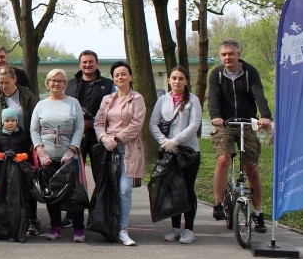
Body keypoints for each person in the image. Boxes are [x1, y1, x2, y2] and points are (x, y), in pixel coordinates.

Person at [208, 39, 272, 233]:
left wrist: (265, 116)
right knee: (223, 160)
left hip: (247, 122)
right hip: (226, 123)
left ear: (238, 54)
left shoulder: (250, 72)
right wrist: (216, 116)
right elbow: (213, 97)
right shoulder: (216, 74)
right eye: (224, 54)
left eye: (231, 54)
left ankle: (258, 212)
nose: (227, 58)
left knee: (251, 167)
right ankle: (218, 203)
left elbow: (259, 94)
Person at [0, 64, 40, 235]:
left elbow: (36, 119)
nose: (3, 86)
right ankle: (6, 220)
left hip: (23, 145)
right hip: (2, 147)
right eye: (0, 82)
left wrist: (35, 142)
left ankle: (31, 219)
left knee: (26, 184)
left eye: (7, 82)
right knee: (3, 186)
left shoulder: (27, 96)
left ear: (15, 79)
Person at [94, 61, 146, 246]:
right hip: (108, 150)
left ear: (130, 77)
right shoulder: (107, 99)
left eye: (123, 74)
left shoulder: (137, 99)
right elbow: (98, 122)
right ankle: (109, 226)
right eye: (116, 75)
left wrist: (117, 139)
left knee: (124, 189)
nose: (120, 78)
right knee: (109, 189)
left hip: (128, 150)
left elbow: (136, 124)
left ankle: (123, 229)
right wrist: (104, 139)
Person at [149, 65, 202, 244]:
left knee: (187, 189)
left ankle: (189, 229)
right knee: (172, 190)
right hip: (168, 153)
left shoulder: (193, 100)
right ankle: (175, 228)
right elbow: (153, 124)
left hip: (188, 153)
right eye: (174, 78)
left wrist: (175, 141)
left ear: (186, 81)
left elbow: (194, 125)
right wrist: (164, 142)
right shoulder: (162, 100)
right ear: (169, 80)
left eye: (181, 78)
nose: (177, 81)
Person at [30, 69, 86, 242]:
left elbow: (79, 128)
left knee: (74, 193)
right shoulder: (40, 105)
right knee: (51, 193)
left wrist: (72, 149)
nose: (56, 83)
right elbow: (34, 129)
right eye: (53, 80)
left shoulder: (73, 103)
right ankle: (55, 227)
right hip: (47, 156)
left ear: (65, 84)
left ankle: (78, 228)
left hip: (68, 156)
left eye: (60, 80)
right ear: (47, 83)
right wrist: (40, 151)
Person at [65, 50, 114, 176]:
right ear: (80, 65)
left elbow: (114, 111)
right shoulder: (69, 84)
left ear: (97, 64)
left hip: (98, 137)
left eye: (91, 62)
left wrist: (92, 122)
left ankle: (100, 196)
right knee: (72, 175)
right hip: (73, 137)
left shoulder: (109, 85)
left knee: (101, 176)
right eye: (84, 62)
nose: (87, 64)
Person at [0, 108, 34, 242]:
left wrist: (22, 156)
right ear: (2, 122)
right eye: (7, 121)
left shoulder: (22, 136)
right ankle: (4, 229)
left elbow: (29, 154)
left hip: (19, 174)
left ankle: (20, 228)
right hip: (2, 174)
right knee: (3, 201)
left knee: (20, 201)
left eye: (13, 120)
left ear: (17, 121)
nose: (10, 123)